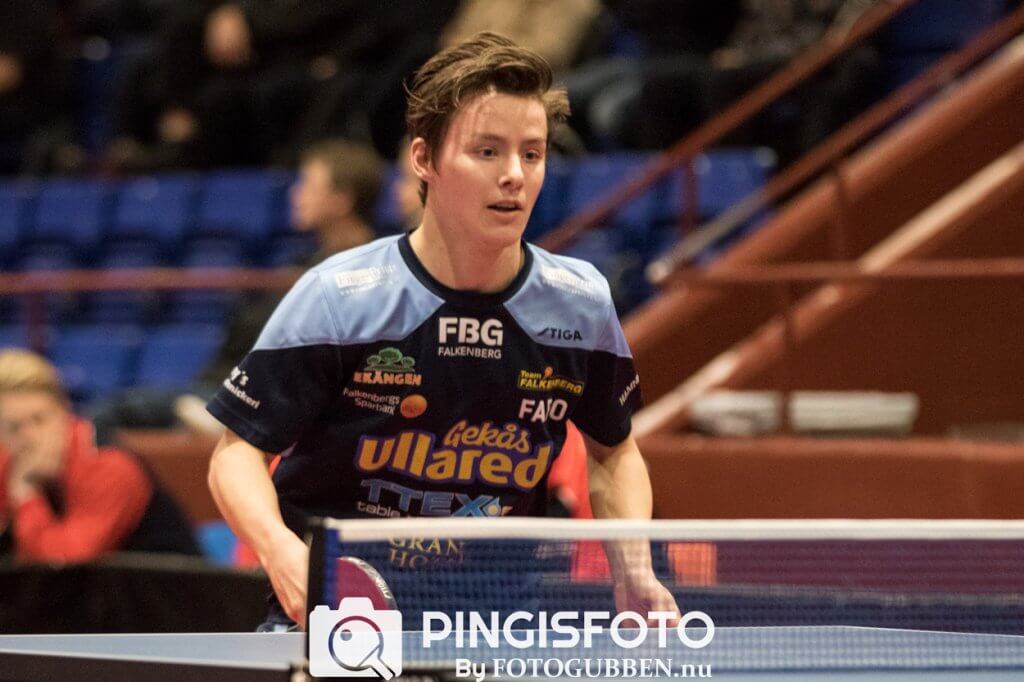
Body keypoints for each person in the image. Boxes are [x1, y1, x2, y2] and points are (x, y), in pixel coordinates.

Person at [206, 31, 679, 630]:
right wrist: (280, 552)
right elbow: (235, 454)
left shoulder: (579, 304)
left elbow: (614, 451)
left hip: (500, 625)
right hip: (343, 618)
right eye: (487, 151)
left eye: (532, 154)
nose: (515, 175)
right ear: (424, 159)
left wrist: (633, 567)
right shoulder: (339, 297)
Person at [89, 139, 384, 443]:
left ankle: (227, 420)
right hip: (229, 383)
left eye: (308, 184)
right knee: (122, 411)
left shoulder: (367, 273)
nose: (296, 194)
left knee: (113, 413)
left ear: (341, 200)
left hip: (265, 394)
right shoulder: (304, 264)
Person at [0, 349, 199, 562]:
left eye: (39, 420)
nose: (29, 437)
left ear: (65, 411)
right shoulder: (8, 462)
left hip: (165, 580)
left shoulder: (110, 466)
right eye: (13, 427)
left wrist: (26, 495)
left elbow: (61, 564)